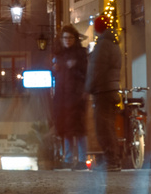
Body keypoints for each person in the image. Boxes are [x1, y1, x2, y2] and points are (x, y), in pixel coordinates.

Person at [85, 14, 122, 170]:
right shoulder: (113, 44)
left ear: (98, 28)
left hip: (103, 91)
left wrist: (87, 88)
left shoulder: (103, 45)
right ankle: (113, 159)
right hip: (111, 89)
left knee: (103, 127)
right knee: (109, 127)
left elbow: (96, 70)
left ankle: (111, 160)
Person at [52, 24, 89, 168]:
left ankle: (81, 159)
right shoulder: (59, 55)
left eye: (70, 37)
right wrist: (56, 69)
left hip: (76, 96)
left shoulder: (80, 54)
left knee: (79, 129)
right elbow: (58, 76)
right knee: (66, 128)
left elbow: (85, 74)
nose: (67, 40)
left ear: (75, 39)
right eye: (65, 37)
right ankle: (68, 159)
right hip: (62, 97)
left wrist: (73, 68)